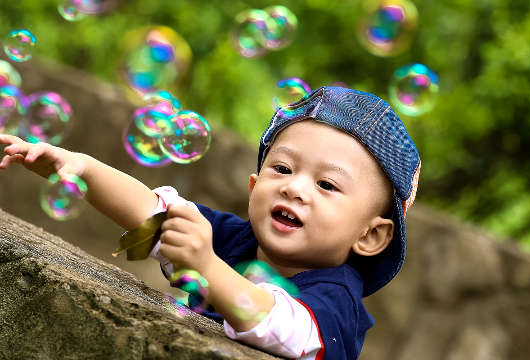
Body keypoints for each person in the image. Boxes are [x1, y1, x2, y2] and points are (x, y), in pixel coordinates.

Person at [0, 86, 420, 360]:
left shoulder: (336, 296)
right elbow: (153, 211)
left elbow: (283, 327)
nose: (295, 189)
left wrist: (206, 265)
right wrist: (80, 168)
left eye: (326, 184)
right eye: (283, 168)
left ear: (371, 235)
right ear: (254, 185)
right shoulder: (235, 238)